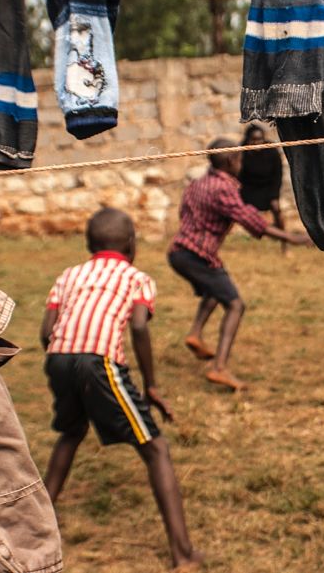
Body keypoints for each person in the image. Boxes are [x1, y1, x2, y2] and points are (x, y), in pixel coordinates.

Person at [40, 208, 203, 570]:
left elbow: (45, 330)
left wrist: (67, 365)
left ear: (88, 244)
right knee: (156, 449)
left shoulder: (69, 275)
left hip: (58, 359)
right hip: (99, 364)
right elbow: (140, 327)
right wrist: (152, 385)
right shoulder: (137, 278)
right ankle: (183, 555)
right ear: (132, 244)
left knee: (70, 432)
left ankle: (33, 528)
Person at [169, 138, 309, 391]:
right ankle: (219, 368)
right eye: (240, 158)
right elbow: (248, 218)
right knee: (235, 304)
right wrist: (293, 238)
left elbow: (184, 212)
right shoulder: (224, 188)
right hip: (197, 254)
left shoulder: (198, 182)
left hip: (179, 251)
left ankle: (195, 334)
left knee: (216, 289)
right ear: (232, 161)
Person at [238, 123, 287, 254]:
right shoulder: (242, 152)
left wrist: (274, 196)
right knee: (234, 212)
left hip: (268, 189)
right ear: (248, 140)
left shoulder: (271, 151)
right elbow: (238, 176)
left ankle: (284, 246)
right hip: (248, 190)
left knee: (277, 209)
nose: (256, 143)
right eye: (253, 140)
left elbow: (278, 175)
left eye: (259, 139)